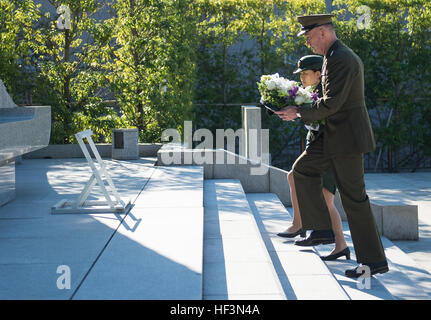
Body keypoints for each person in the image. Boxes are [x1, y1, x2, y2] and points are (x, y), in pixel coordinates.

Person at [274, 14, 388, 278]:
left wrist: (298, 112)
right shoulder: (333, 56)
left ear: (323, 32)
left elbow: (331, 103)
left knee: (355, 200)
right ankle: (323, 229)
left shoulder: (341, 58)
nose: (308, 44)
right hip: (333, 135)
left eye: (309, 37)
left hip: (346, 139)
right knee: (302, 171)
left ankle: (373, 262)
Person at [277, 55, 350, 261]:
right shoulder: (308, 93)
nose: (301, 77)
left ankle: (339, 243)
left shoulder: (325, 95)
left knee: (326, 198)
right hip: (316, 144)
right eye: (300, 74)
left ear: (319, 74)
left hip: (328, 149)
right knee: (293, 176)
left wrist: (300, 111)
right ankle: (300, 224)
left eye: (305, 73)